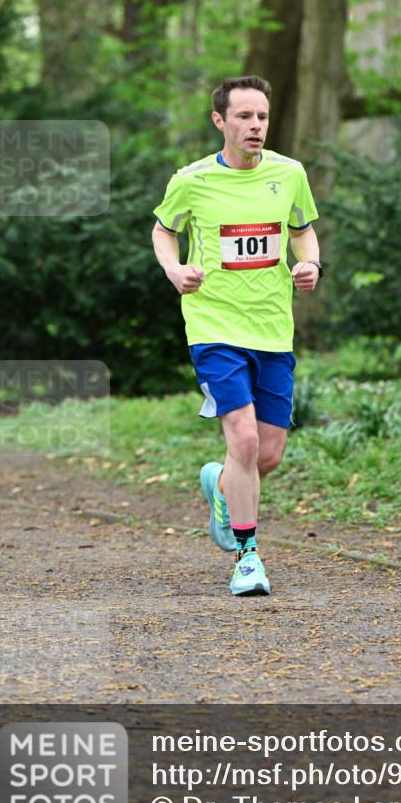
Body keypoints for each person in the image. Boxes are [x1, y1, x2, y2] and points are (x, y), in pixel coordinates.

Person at [152, 75, 321, 597]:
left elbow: (301, 230)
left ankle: (222, 487)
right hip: (214, 326)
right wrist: (174, 270)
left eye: (262, 117)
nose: (255, 126)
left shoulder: (290, 174)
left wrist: (310, 262)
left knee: (267, 454)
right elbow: (164, 229)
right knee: (243, 440)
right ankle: (248, 556)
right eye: (244, 117)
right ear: (219, 121)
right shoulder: (193, 179)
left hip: (273, 329)